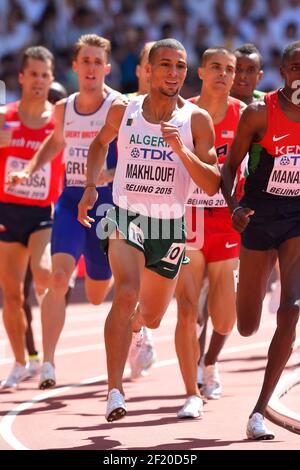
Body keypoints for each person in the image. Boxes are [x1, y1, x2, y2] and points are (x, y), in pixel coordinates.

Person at [77, 38, 220, 422]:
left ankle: (140, 327)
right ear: (148, 70)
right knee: (124, 292)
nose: (173, 73)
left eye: (180, 67)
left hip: (169, 225)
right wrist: (91, 187)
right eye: (166, 65)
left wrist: (182, 151)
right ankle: (114, 391)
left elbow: (211, 183)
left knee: (153, 316)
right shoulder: (124, 108)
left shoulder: (196, 119)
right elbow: (98, 145)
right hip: (126, 215)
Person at [9, 34, 120, 390]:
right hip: (71, 201)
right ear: (74, 67)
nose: (90, 68)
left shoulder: (119, 107)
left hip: (106, 206)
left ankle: (136, 333)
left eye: (96, 62)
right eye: (84, 61)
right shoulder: (65, 108)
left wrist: (110, 174)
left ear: (106, 68)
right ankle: (49, 364)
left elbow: (134, 155)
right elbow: (55, 142)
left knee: (97, 293)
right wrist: (29, 169)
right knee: (58, 279)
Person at [221, 41, 300, 440]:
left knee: (291, 310)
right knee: (248, 325)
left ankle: (258, 411)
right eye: (295, 68)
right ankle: (247, 285)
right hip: (258, 215)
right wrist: (234, 206)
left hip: (297, 219)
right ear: (282, 72)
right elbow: (229, 169)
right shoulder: (258, 113)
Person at [175, 47, 245, 417]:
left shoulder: (245, 115)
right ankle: (191, 392)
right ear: (200, 72)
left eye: (229, 69)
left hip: (228, 222)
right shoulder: (182, 112)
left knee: (223, 319)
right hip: (189, 218)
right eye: (216, 67)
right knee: (187, 310)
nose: (223, 74)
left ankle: (210, 364)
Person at [0, 46, 64, 389]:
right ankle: (22, 362)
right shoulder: (4, 116)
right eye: (33, 74)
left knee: (43, 273)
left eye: (45, 75)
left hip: (42, 211)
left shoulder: (59, 119)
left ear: (51, 79)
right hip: (7, 211)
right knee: (11, 296)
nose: (39, 81)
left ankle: (49, 344)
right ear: (21, 77)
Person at [23, 81, 68, 379]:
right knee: (15, 292)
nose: (53, 105)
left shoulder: (68, 137)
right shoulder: (22, 128)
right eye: (50, 99)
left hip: (54, 219)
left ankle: (44, 350)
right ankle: (32, 356)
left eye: (59, 100)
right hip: (20, 215)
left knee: (48, 283)